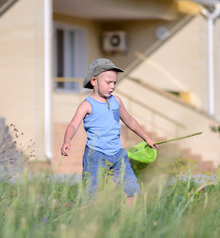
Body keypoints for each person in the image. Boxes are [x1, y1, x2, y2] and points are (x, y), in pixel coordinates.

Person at [60, 58, 156, 205]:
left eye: (114, 83)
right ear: (94, 81)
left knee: (132, 191)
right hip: (96, 155)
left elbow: (129, 120)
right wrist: (67, 141)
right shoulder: (87, 105)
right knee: (93, 197)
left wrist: (147, 138)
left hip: (118, 155)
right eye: (108, 82)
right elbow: (73, 124)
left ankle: (129, 223)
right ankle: (80, 217)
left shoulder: (116, 101)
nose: (112, 86)